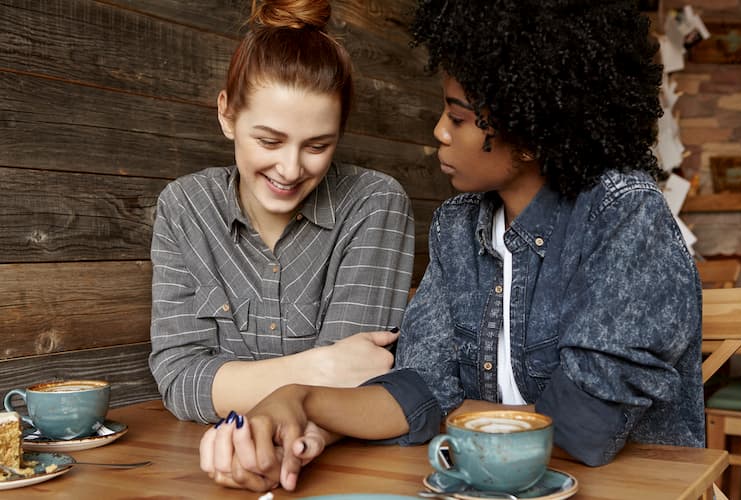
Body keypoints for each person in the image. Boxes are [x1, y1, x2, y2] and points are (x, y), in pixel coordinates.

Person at [199, 0, 705, 491]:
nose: (439, 130)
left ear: (530, 136)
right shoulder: (457, 226)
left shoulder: (624, 215)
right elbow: (419, 392)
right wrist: (300, 403)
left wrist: (455, 414)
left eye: (459, 119)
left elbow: (583, 430)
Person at [149, 0, 414, 425]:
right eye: (270, 142)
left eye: (317, 146)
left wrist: (236, 382)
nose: (290, 170)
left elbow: (352, 385)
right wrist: (313, 369)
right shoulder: (184, 207)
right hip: (210, 458)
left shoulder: (375, 202)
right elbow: (180, 381)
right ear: (227, 115)